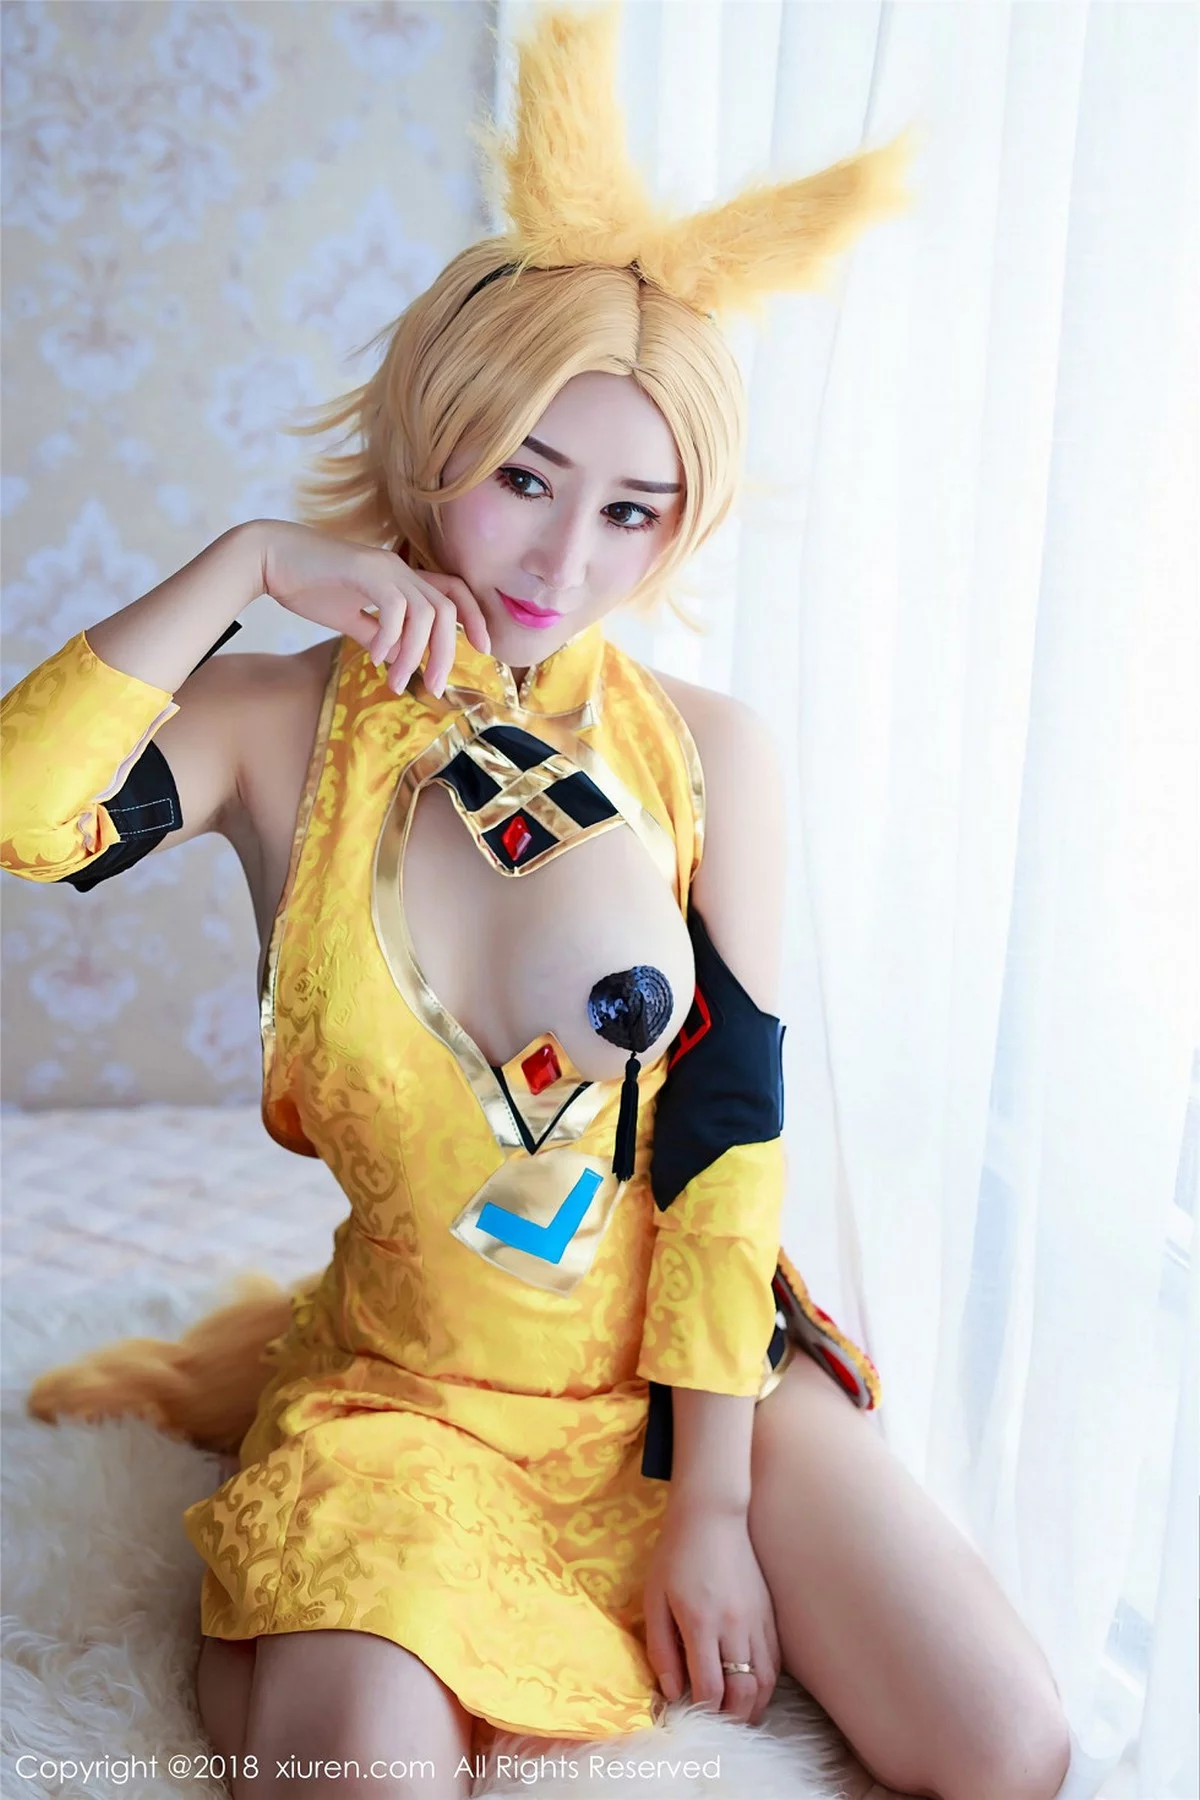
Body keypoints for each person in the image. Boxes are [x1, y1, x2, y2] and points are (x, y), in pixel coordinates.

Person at [1, 5, 1071, 1798]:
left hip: (682, 1378)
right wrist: (245, 561)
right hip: (413, 1397)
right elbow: (21, 815)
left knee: (1012, 1747)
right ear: (434, 440)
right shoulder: (272, 727)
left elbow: (727, 1134)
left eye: (635, 512)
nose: (565, 562)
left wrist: (710, 1502)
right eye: (523, 479)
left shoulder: (711, 753)